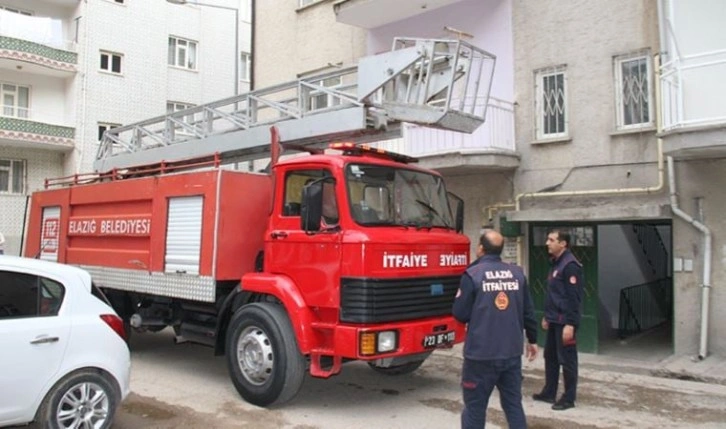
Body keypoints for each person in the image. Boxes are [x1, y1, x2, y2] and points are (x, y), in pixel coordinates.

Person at [453, 230, 538, 429]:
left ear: (481, 248)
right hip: (511, 353)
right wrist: (532, 340)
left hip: (481, 355)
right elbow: (528, 312)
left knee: (475, 408)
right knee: (513, 405)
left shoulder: (472, 274)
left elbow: (460, 313)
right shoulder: (517, 274)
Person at [532, 229, 584, 411]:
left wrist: (570, 323)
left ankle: (569, 398)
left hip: (565, 322)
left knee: (567, 359)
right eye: (548, 239)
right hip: (554, 319)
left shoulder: (570, 266)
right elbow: (554, 294)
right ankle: (549, 392)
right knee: (551, 356)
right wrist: (547, 316)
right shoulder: (556, 263)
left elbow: (573, 298)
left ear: (563, 244)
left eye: (552, 240)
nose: (547, 243)